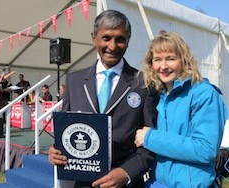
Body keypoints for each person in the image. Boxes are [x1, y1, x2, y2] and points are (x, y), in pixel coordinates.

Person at [48, 10, 158, 188]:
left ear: (128, 41)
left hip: (124, 184)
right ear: (94, 38)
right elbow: (66, 131)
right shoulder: (74, 80)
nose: (113, 46)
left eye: (120, 39)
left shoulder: (144, 84)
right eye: (106, 38)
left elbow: (151, 142)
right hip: (79, 182)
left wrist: (127, 173)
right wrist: (56, 151)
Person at [134, 31, 227, 187]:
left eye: (170, 58)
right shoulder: (157, 95)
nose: (163, 66)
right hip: (157, 183)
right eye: (157, 60)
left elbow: (205, 150)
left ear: (184, 60)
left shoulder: (203, 93)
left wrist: (151, 138)